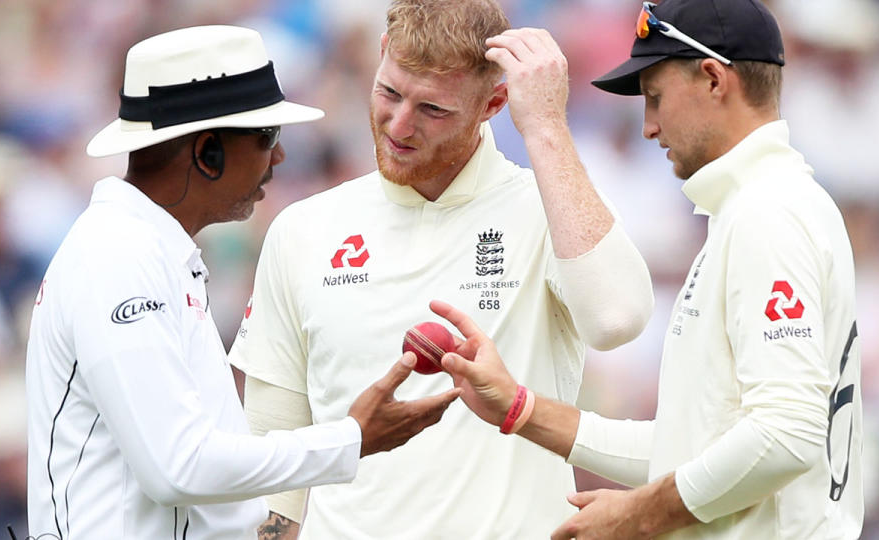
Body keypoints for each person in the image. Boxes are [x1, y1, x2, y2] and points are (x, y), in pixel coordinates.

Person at [430, 0, 865, 538]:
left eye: (655, 98)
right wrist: (520, 408)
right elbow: (693, 448)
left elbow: (786, 434)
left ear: (712, 79)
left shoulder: (767, 212)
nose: (648, 128)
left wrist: (637, 515)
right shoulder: (761, 206)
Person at [228, 0, 654, 537]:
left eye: (433, 109)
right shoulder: (302, 229)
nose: (400, 125)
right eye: (389, 92)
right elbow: (275, 458)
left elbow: (618, 318)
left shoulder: (548, 208)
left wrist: (546, 125)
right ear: (382, 55)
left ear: (494, 101)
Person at [25, 25, 460, 540]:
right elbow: (178, 468)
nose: (278, 158)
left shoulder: (149, 250)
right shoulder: (119, 257)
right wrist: (351, 440)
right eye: (266, 138)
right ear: (207, 150)